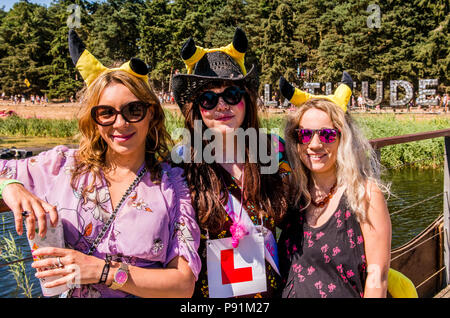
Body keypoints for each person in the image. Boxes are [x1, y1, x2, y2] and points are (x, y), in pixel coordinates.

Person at [0, 30, 201, 298]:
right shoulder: (61, 166)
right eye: (106, 113)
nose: (120, 123)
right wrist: (11, 187)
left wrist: (103, 271)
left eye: (133, 110)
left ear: (151, 114)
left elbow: (183, 285)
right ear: (93, 119)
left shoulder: (172, 184)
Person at [171, 27, 290, 298]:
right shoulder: (180, 163)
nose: (222, 105)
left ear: (246, 101)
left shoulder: (275, 151)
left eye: (232, 95)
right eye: (209, 99)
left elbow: (308, 207)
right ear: (197, 110)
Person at [277, 74, 392, 298]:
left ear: (343, 138)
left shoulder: (365, 194)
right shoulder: (294, 194)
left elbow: (377, 278)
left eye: (327, 134)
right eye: (304, 135)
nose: (315, 144)